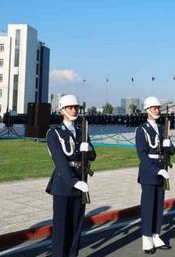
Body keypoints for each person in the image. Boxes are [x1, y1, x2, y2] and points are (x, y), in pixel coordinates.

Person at [46, 94, 96, 257]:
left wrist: (88, 149)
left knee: (76, 227)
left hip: (81, 179)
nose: (74, 110)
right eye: (70, 107)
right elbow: (60, 161)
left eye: (76, 107)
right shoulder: (54, 133)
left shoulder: (83, 131)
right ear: (62, 110)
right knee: (61, 228)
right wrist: (74, 181)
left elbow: (93, 155)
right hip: (63, 184)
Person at [136, 96, 175, 254]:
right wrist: (156, 170)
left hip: (162, 168)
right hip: (149, 171)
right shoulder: (142, 129)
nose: (157, 110)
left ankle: (156, 234)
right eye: (154, 108)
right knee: (148, 206)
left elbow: (172, 152)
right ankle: (146, 238)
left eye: (158, 108)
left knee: (159, 206)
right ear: (147, 110)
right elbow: (142, 155)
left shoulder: (162, 129)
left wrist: (169, 145)